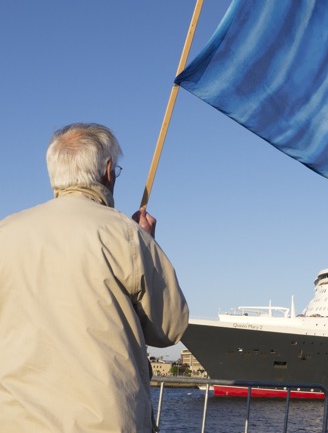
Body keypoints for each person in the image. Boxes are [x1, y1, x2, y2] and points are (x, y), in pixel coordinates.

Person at [0, 123, 189, 432]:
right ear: (108, 170)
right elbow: (169, 329)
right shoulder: (127, 236)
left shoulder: (5, 231)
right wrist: (148, 244)